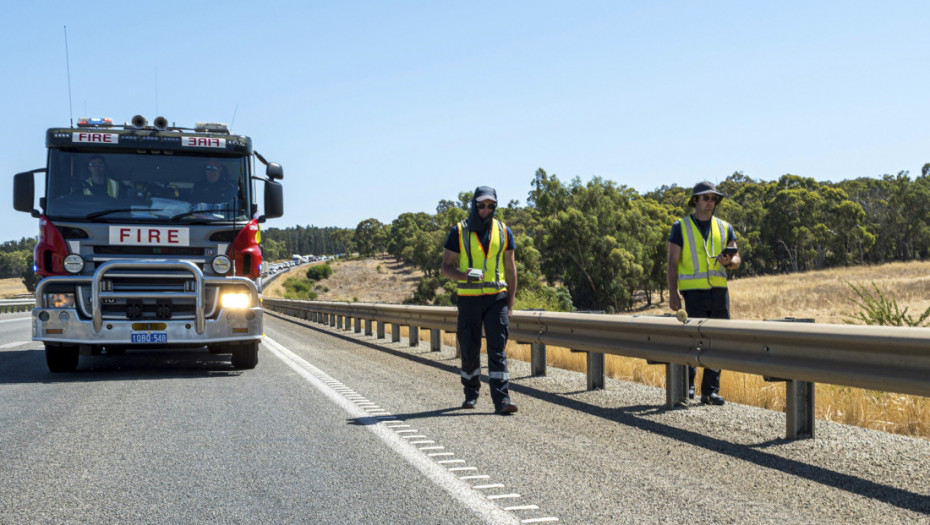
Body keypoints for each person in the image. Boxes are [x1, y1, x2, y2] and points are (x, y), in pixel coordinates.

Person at [440, 186, 519, 414]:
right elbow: (446, 267)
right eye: (482, 205)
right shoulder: (459, 231)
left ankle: (502, 400)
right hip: (469, 299)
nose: (487, 209)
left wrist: (510, 303)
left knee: (497, 350)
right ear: (474, 205)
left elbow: (511, 269)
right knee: (470, 349)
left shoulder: (504, 231)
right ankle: (471, 393)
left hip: (497, 299)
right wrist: (463, 275)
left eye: (491, 205)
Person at [666, 181, 740, 406]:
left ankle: (710, 391)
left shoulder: (725, 227)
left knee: (718, 341)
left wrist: (730, 261)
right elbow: (672, 262)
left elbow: (736, 259)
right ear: (695, 200)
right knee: (695, 340)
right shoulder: (681, 227)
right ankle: (687, 387)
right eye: (706, 198)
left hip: (719, 292)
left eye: (713, 198)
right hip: (693, 294)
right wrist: (672, 293)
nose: (711, 202)